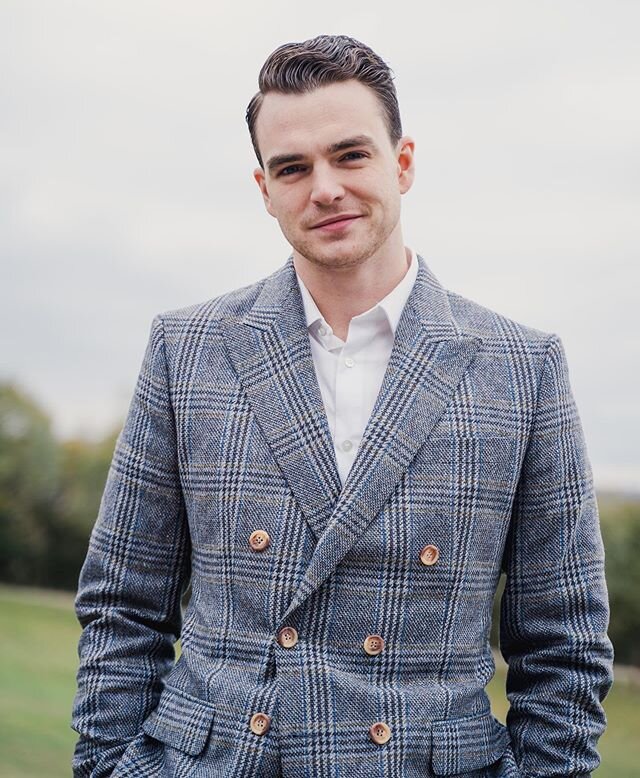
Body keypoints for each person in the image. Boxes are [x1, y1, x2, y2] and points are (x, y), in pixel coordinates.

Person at [71, 34, 614, 777]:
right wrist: (109, 768)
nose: (323, 187)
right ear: (265, 190)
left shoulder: (523, 368)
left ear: (403, 162)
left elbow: (564, 645)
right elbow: (122, 605)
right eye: (292, 168)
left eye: (350, 155)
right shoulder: (186, 349)